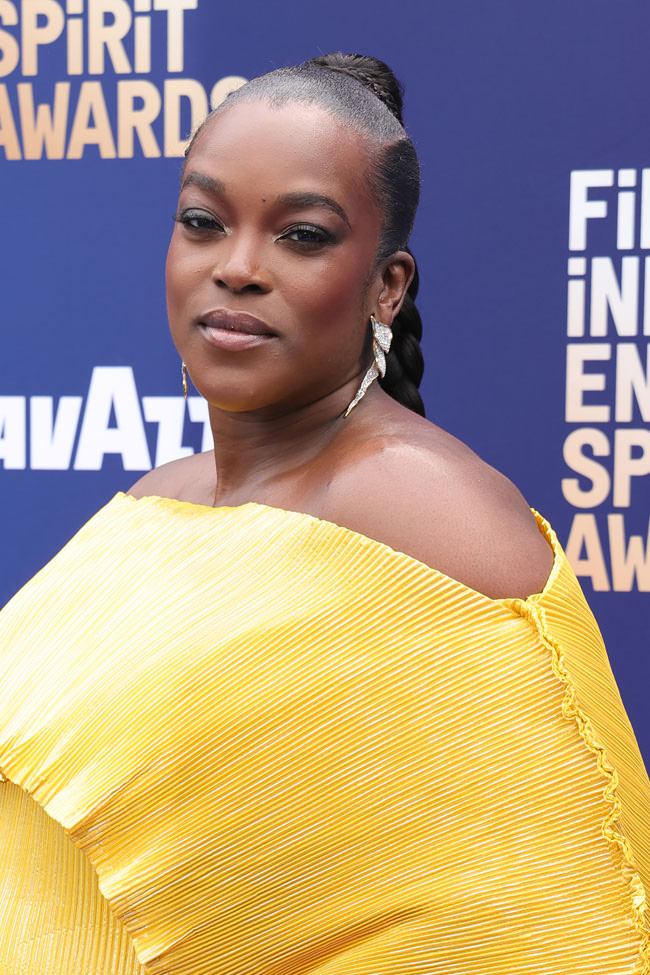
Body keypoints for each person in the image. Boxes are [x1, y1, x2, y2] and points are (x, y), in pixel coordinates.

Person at [0, 53, 648, 975]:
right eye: (203, 222)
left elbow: (554, 903)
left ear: (388, 286)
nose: (237, 268)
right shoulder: (152, 501)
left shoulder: (428, 516)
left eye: (302, 236)